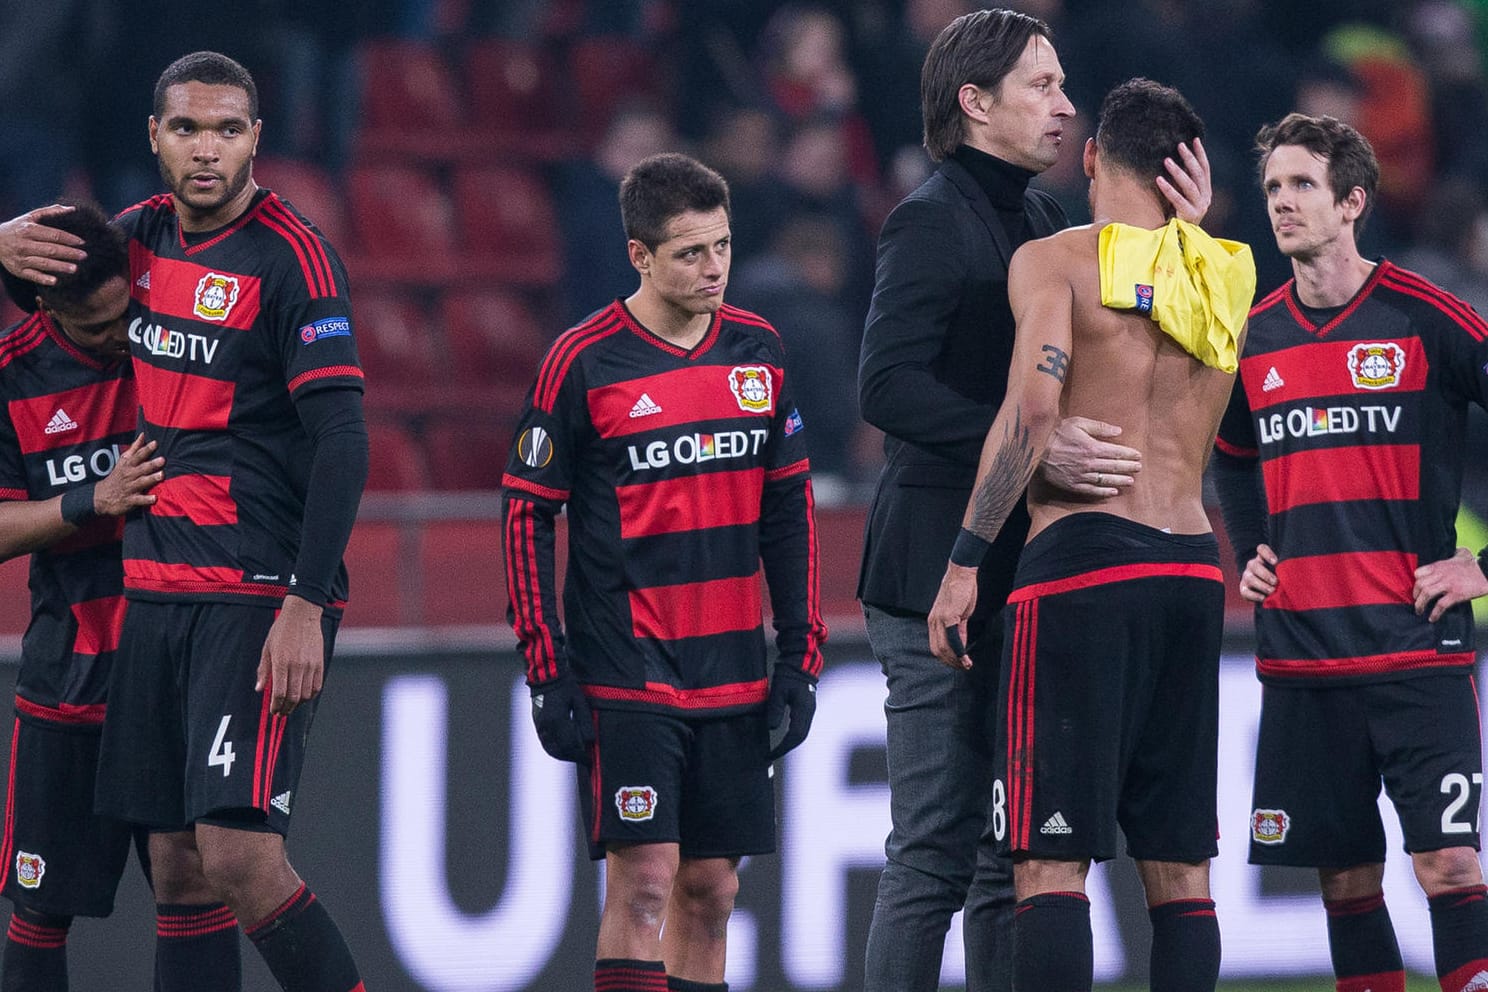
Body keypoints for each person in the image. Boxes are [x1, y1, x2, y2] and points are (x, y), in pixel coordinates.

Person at [854, 10, 1211, 990]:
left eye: (1063, 87)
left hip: (1027, 571)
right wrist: (1031, 431)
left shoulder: (1048, 227)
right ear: (976, 104)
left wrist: (1186, 230)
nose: (1065, 105)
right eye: (1042, 87)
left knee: (1001, 852)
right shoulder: (929, 218)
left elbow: (1186, 338)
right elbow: (883, 386)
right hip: (935, 561)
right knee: (933, 843)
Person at [0, 51, 369, 992]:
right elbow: (63, 258)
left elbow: (344, 440)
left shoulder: (291, 255)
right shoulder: (140, 238)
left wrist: (305, 605)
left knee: (240, 860)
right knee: (178, 866)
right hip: (154, 596)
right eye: (190, 129)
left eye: (229, 129)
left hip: (249, 595)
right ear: (156, 138)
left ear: (256, 139)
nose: (209, 150)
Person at [927, 77, 1254, 992]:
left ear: (1093, 158)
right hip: (1192, 565)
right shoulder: (1226, 273)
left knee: (1047, 863)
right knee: (1182, 869)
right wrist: (1199, 230)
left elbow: (1033, 412)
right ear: (1185, 172)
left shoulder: (1055, 260)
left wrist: (962, 563)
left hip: (1083, 564)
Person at [502, 152, 825, 992]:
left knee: (711, 893)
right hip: (628, 672)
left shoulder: (760, 350)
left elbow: (789, 512)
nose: (713, 267)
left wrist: (798, 656)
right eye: (690, 252)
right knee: (643, 883)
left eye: (721, 245)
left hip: (734, 672)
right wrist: (547, 669)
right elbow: (526, 512)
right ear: (640, 256)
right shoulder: (583, 360)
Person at [1213, 112, 1488, 992]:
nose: (1282, 204)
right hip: (1304, 662)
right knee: (1345, 882)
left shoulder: (1425, 317)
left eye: (1301, 186)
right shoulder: (1252, 336)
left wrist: (1485, 567)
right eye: (1271, 189)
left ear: (1354, 201)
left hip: (1417, 654)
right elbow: (1231, 456)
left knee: (1449, 866)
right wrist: (1253, 548)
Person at [0, 200, 191, 989]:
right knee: (42, 906)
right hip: (71, 675)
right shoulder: (13, 376)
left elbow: (199, 195)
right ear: (47, 308)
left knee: (196, 887)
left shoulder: (171, 340)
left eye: (127, 313)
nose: (122, 335)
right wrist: (91, 502)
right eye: (99, 325)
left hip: (176, 664)